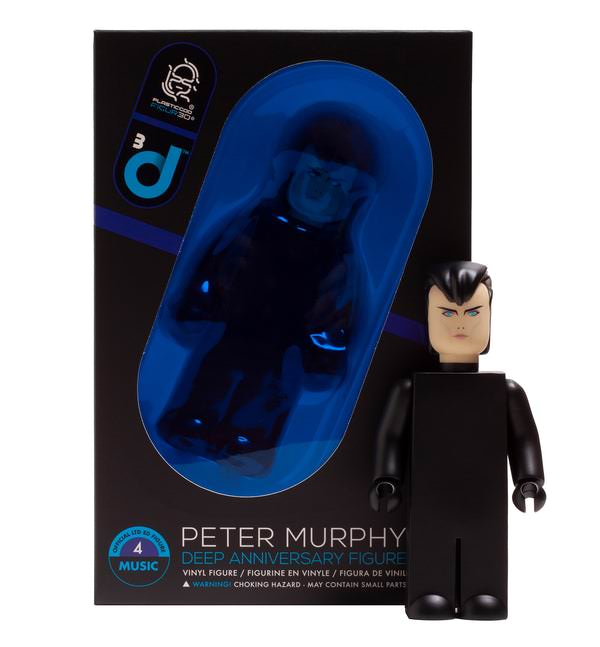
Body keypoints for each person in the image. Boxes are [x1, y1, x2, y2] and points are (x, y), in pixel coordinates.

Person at [370, 261, 546, 620]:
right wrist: (386, 479)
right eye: (447, 313)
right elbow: (391, 436)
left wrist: (529, 480)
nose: (460, 323)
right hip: (429, 494)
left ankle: (484, 591)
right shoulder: (411, 390)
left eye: (473, 312)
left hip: (484, 496)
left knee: (487, 541)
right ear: (428, 318)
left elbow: (524, 438)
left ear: (491, 316)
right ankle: (428, 591)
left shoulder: (505, 392)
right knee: (429, 540)